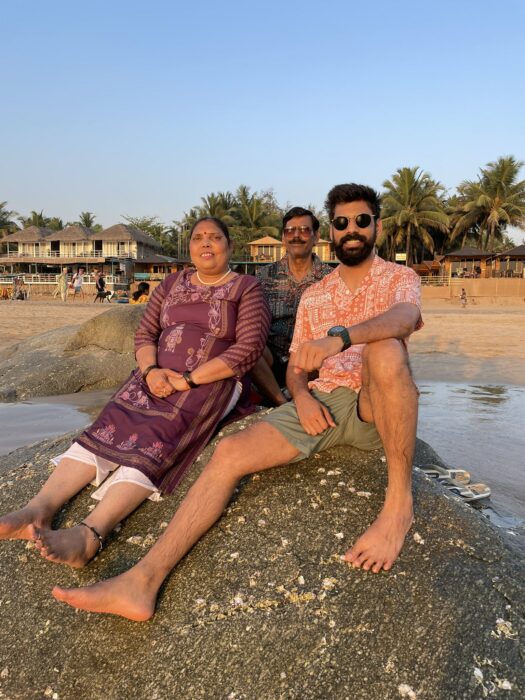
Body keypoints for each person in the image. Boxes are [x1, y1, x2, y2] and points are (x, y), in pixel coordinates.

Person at [45, 184, 423, 622]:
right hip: (323, 400)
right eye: (342, 222)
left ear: (376, 226)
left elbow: (406, 319)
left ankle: (399, 506)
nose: (352, 229)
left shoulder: (400, 278)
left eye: (361, 221)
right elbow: (297, 366)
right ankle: (142, 581)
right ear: (332, 232)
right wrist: (298, 396)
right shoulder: (318, 294)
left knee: (386, 349)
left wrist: (341, 337)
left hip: (374, 401)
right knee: (228, 453)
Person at [0, 217, 270, 570]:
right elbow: (145, 334)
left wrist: (187, 380)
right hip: (154, 375)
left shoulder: (245, 288)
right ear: (188, 247)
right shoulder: (172, 283)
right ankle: (39, 509)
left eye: (215, 237)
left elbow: (249, 347)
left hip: (210, 381)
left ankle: (89, 535)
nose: (206, 244)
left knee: (157, 437)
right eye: (198, 238)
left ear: (229, 246)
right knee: (108, 426)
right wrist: (151, 371)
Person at [253, 207, 332, 405]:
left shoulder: (331, 279)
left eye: (304, 230)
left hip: (312, 359)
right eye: (290, 231)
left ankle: (305, 396)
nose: (296, 236)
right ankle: (282, 403)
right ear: (283, 237)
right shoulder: (263, 277)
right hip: (272, 358)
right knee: (249, 347)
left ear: (316, 237)